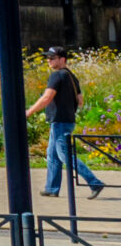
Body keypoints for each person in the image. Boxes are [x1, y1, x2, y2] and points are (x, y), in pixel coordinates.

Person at [31, 45, 104, 200]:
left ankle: (94, 183)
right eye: (48, 57)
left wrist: (28, 112)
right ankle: (51, 188)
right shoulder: (71, 76)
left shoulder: (56, 76)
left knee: (65, 156)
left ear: (62, 59)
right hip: (66, 120)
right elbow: (80, 100)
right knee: (52, 156)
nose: (48, 60)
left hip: (60, 122)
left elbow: (47, 97)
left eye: (52, 58)